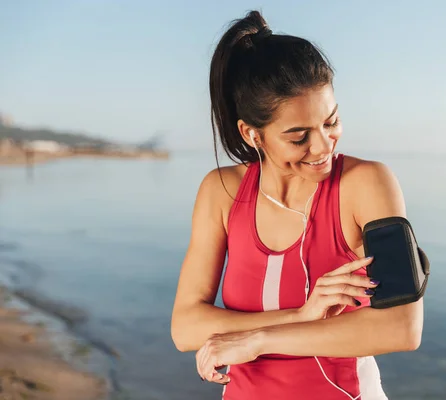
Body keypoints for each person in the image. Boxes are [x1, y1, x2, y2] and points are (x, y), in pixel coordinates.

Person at [170, 10, 423, 400]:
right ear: (252, 134)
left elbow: (402, 327)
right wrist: (300, 316)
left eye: (331, 121)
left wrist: (255, 341)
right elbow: (185, 327)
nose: (323, 146)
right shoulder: (222, 191)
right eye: (299, 136)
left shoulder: (366, 185)